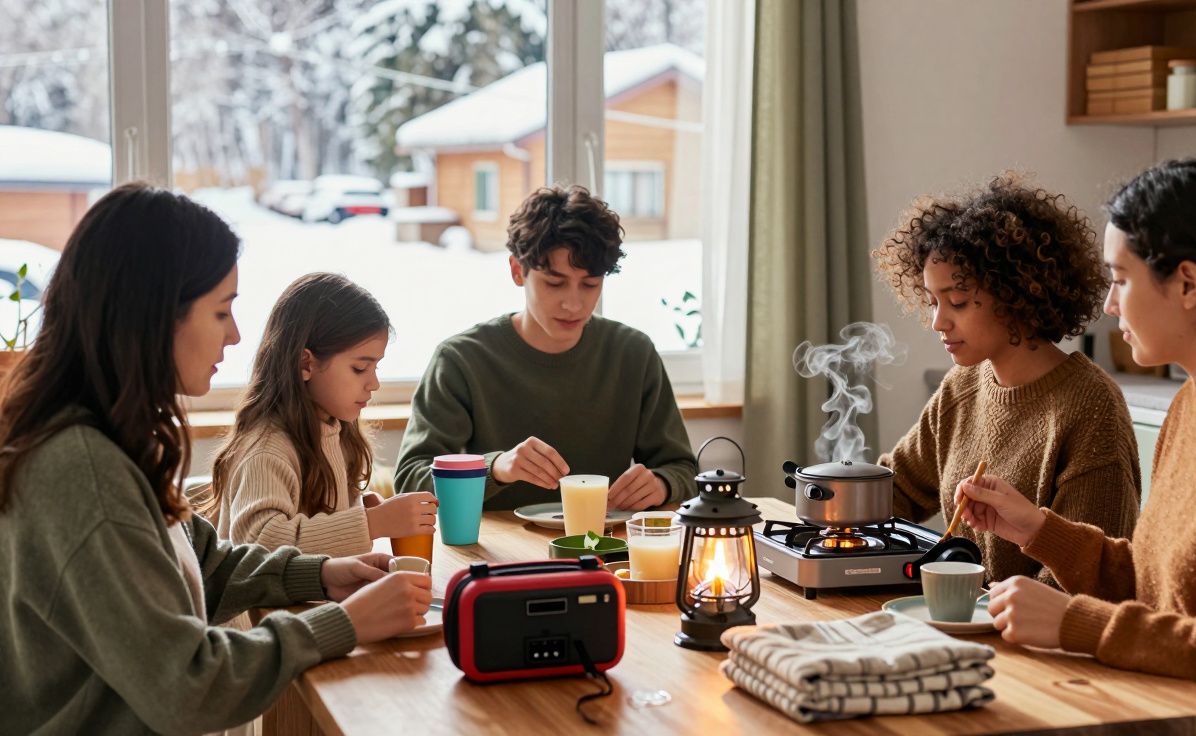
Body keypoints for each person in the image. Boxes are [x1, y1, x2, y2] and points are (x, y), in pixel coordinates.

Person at [0, 184, 431, 733]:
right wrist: (343, 623)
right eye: (222, 310)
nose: (236, 335)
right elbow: (185, 685)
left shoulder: (113, 439)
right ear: (155, 316)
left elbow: (202, 562)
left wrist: (321, 574)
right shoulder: (83, 472)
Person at [955, 156, 1196, 733]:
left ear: (1188, 284)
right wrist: (1038, 531)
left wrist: (1074, 621)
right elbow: (1156, 587)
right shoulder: (1191, 405)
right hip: (1159, 711)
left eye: (1121, 279)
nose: (1108, 305)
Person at [873, 174, 1140, 584]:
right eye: (933, 301)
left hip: (1033, 640)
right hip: (964, 624)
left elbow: (1094, 579)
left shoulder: (1090, 405)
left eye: (957, 302)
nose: (938, 322)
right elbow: (899, 490)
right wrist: (840, 496)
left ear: (1015, 293)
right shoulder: (961, 388)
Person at [395, 184, 696, 511]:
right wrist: (496, 467)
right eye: (555, 283)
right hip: (498, 554)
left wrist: (662, 485)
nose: (574, 303)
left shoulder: (633, 353)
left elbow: (682, 469)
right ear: (516, 271)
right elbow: (411, 480)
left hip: (604, 548)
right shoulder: (460, 360)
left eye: (590, 284)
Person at [206, 273, 436, 556]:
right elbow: (258, 545)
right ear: (306, 363)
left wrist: (360, 509)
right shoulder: (267, 451)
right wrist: (371, 523)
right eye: (360, 368)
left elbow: (313, 529)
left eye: (376, 368)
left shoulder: (333, 431)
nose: (374, 383)